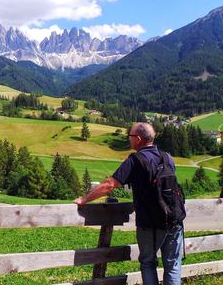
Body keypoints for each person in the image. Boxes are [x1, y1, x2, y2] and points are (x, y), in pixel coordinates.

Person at [75, 122, 184, 285]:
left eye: (130, 136)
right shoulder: (167, 157)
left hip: (151, 224)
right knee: (173, 265)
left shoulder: (136, 160)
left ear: (138, 139)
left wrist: (84, 199)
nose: (129, 139)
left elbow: (109, 185)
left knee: (148, 263)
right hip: (175, 219)